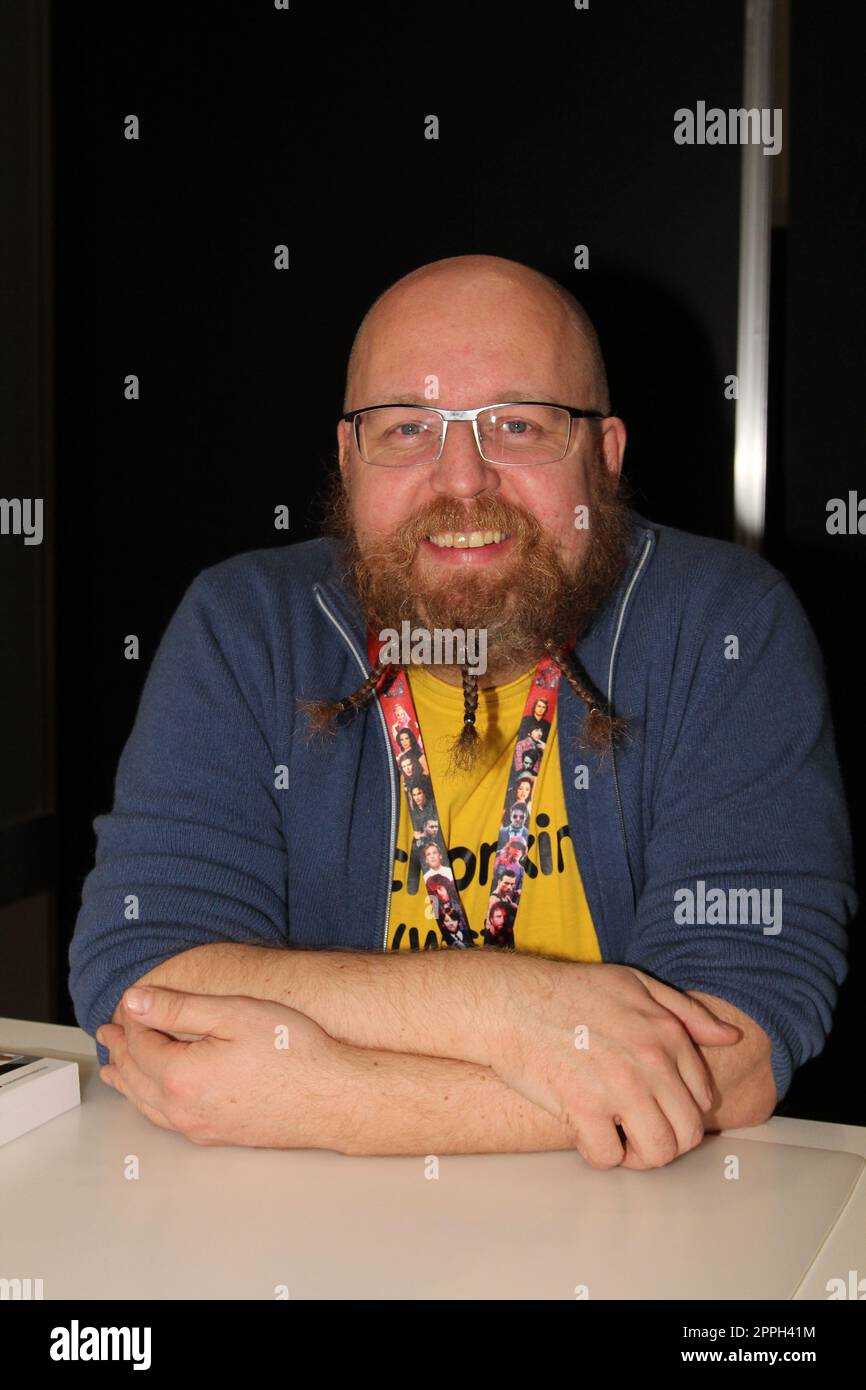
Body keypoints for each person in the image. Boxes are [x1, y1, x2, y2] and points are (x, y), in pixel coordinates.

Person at [69, 253, 856, 1169]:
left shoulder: (723, 624)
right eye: (405, 429)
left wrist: (336, 1100)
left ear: (604, 458)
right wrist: (519, 1014)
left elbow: (736, 1050)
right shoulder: (244, 626)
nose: (462, 482)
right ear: (346, 459)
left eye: (518, 425)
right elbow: (143, 977)